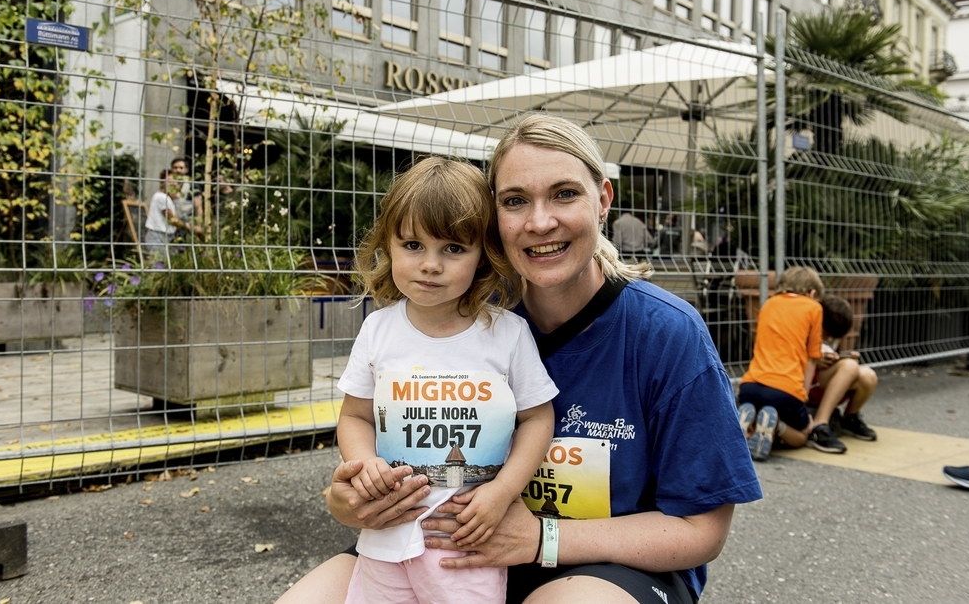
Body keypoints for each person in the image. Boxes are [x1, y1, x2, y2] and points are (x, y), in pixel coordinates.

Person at [277, 113, 761, 604]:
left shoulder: (666, 333)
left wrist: (543, 539)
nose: (539, 221)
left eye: (565, 194)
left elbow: (702, 531)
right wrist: (347, 502)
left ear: (603, 200)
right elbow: (364, 425)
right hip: (439, 545)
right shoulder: (453, 312)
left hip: (599, 565)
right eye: (514, 201)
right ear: (493, 220)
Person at [336, 157, 557, 604]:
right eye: (413, 245)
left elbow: (537, 418)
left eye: (453, 248)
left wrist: (502, 491)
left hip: (465, 540)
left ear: (482, 256)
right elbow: (355, 416)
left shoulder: (507, 334)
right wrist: (364, 464)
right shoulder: (377, 330)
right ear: (388, 246)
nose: (430, 265)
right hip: (387, 537)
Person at [737, 266, 848, 460]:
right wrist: (802, 397)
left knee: (761, 406)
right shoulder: (814, 308)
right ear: (812, 293)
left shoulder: (768, 304)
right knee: (803, 434)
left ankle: (750, 418)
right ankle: (776, 423)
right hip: (785, 390)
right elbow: (813, 358)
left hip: (750, 386)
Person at [809, 295, 879, 442]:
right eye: (826, 335)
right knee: (850, 366)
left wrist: (841, 357)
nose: (828, 340)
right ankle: (820, 424)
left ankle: (850, 418)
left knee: (868, 375)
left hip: (821, 380)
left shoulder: (826, 333)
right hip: (803, 382)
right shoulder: (803, 323)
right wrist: (812, 358)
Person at [143, 170, 199, 258]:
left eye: (174, 181)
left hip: (163, 237)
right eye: (169, 181)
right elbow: (172, 219)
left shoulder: (166, 197)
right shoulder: (161, 197)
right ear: (162, 182)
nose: (173, 183)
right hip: (157, 237)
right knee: (159, 266)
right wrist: (188, 226)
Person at [169, 157, 202, 231]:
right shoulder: (169, 185)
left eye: (181, 168)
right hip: (172, 223)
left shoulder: (193, 185)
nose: (178, 170)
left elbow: (198, 207)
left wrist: (198, 225)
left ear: (186, 170)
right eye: (175, 168)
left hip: (188, 222)